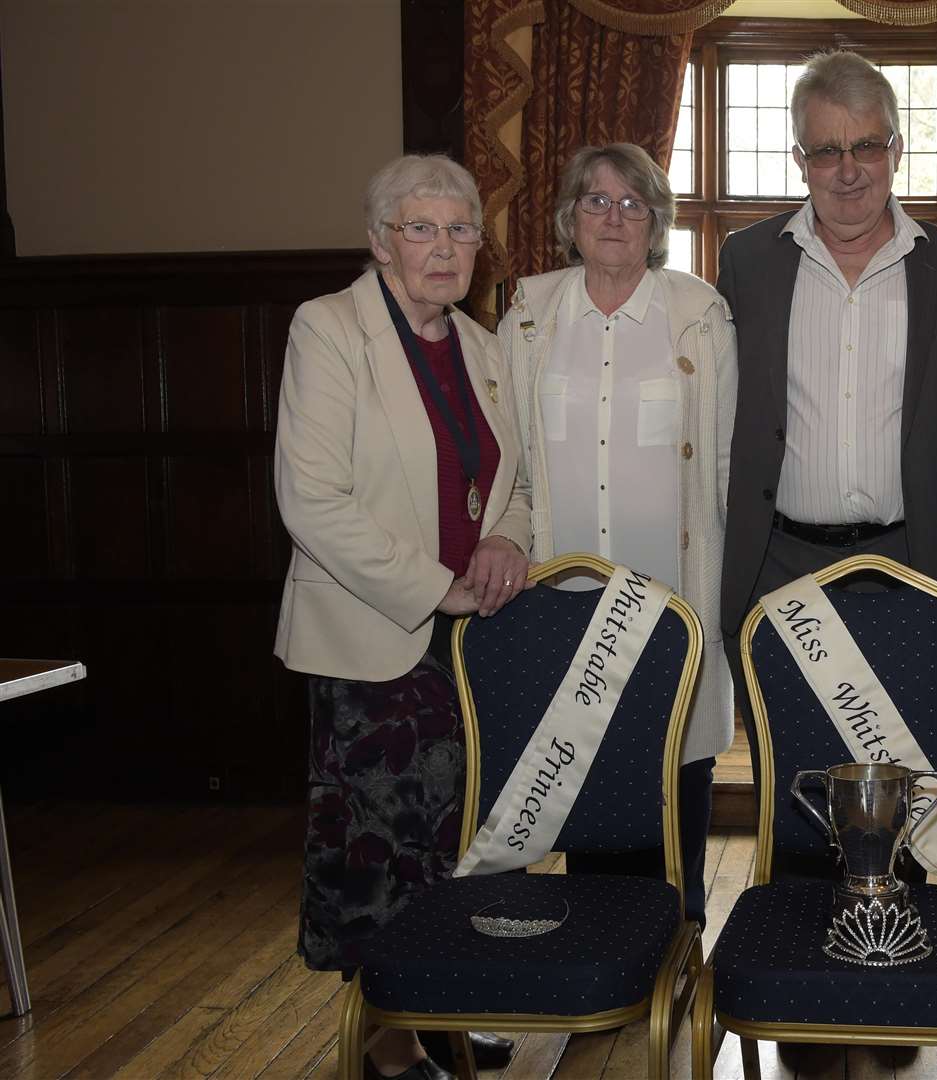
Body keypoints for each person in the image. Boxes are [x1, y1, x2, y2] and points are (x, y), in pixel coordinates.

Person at [275, 153, 528, 1080]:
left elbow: (514, 482)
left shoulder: (483, 344)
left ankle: (449, 1007)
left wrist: (506, 540)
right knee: (379, 849)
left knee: (463, 841)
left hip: (476, 641)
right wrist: (437, 585)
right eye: (420, 228)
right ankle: (387, 1038)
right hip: (372, 637)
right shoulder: (329, 329)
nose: (444, 247)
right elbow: (310, 500)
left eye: (461, 229)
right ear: (380, 241)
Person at [718, 49, 937, 770]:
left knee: (908, 773)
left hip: (906, 561)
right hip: (780, 565)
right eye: (825, 150)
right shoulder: (746, 260)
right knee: (793, 771)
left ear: (896, 149)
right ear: (799, 159)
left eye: (866, 145)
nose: (848, 170)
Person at [498, 143, 737, 925]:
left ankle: (679, 922)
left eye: (632, 203)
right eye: (595, 201)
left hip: (671, 595)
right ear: (569, 217)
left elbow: (726, 459)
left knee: (676, 754)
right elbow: (513, 463)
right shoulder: (530, 317)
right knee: (582, 757)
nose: (613, 217)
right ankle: (599, 926)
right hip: (563, 597)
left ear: (657, 222)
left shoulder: (698, 314)